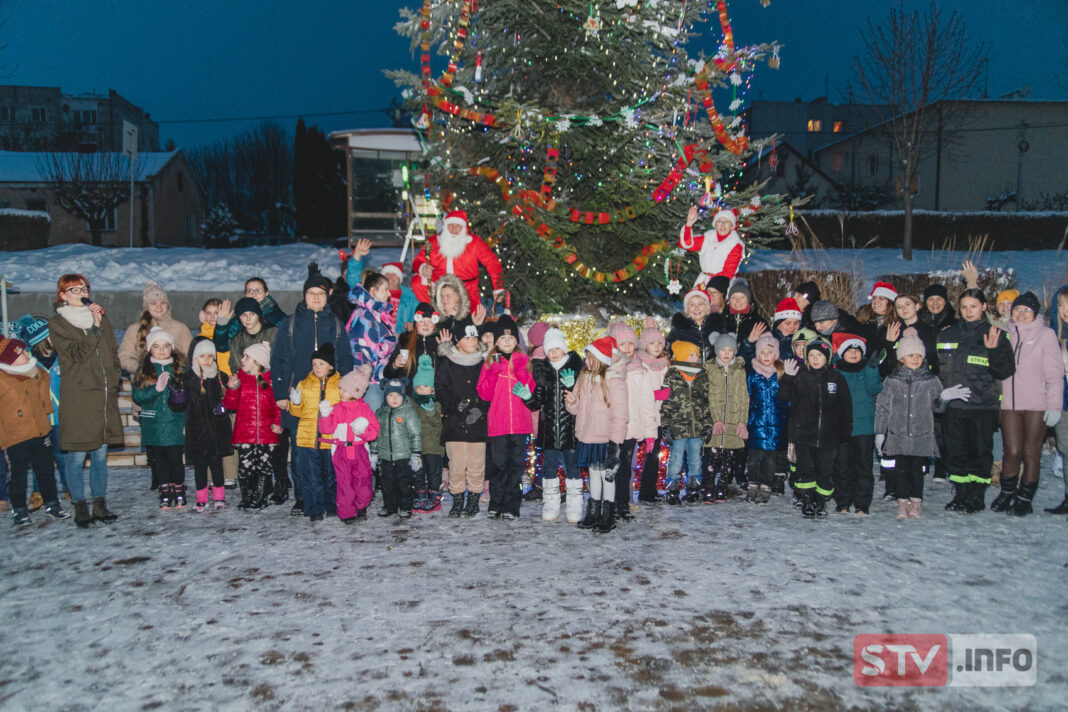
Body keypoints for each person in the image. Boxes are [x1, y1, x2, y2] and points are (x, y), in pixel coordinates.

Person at [272, 268, 354, 508]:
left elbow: (346, 359)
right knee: (301, 452)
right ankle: (303, 497)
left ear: (327, 295)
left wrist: (346, 390)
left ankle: (330, 496)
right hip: (300, 400)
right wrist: (281, 395)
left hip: (331, 398)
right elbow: (279, 360)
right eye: (311, 293)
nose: (316, 298)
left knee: (330, 450)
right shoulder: (291, 323)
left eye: (320, 293)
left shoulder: (336, 324)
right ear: (304, 295)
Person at [49, 273, 123, 528]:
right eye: (74, 289)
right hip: (79, 398)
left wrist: (113, 378)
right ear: (62, 294)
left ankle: (100, 504)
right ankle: (80, 506)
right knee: (77, 457)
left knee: (100, 455)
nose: (81, 292)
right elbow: (77, 355)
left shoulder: (102, 317)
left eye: (84, 287)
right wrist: (94, 327)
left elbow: (113, 351)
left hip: (102, 396)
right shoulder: (58, 324)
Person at [935, 288, 1015, 513]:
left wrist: (993, 352)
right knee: (955, 453)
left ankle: (975, 498)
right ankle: (960, 495)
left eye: (973, 306)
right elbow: (936, 368)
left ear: (984, 307)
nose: (968, 311)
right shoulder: (946, 333)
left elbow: (1005, 371)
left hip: (982, 407)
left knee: (979, 454)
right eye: (964, 307)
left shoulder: (996, 334)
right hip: (954, 407)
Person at [989, 292, 1065, 516]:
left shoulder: (1046, 335)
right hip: (1010, 404)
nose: (1021, 314)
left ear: (1035, 313)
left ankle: (1025, 497)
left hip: (1036, 404)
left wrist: (1054, 405)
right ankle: (1007, 491)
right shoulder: (1005, 334)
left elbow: (1054, 373)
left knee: (1031, 452)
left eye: (1026, 310)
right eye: (1017, 310)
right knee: (1011, 451)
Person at [875, 329, 947, 520]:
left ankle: (916, 501)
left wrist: (944, 399)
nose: (914, 359)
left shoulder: (930, 380)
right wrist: (880, 432)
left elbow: (938, 409)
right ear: (901, 358)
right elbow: (883, 407)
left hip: (920, 435)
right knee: (900, 469)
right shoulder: (891, 381)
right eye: (910, 355)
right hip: (897, 435)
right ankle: (901, 501)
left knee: (917, 470)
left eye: (918, 355)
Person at [778, 339, 852, 519]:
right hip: (804, 435)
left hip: (828, 436)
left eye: (819, 355)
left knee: (824, 471)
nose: (815, 359)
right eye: (811, 355)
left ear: (827, 357)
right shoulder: (801, 376)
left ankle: (820, 501)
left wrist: (844, 430)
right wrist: (787, 377)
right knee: (806, 471)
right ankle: (807, 501)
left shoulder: (836, 378)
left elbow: (846, 406)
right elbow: (784, 397)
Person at [0, 336, 68, 525]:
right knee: (18, 476)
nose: (24, 353)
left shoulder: (33, 370)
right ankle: (20, 511)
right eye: (19, 352)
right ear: (8, 358)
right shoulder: (2, 377)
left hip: (40, 430)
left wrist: (46, 407)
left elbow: (45, 380)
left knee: (45, 471)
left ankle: (52, 504)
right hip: (16, 436)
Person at [566, 336, 628, 533]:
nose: (587, 362)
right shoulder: (584, 377)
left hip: (605, 439)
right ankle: (593, 512)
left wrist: (615, 442)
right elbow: (576, 409)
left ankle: (608, 515)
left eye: (591, 358)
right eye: (587, 357)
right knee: (593, 474)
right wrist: (572, 401)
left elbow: (620, 416)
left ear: (602, 359)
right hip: (588, 436)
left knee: (606, 476)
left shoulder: (615, 383)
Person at [477, 315, 536, 520]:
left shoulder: (524, 360)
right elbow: (484, 394)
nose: (507, 341)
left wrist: (521, 373)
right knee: (499, 465)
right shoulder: (490, 362)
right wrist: (493, 373)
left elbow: (530, 389)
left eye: (511, 338)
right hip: (498, 424)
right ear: (496, 342)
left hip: (520, 424)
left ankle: (512, 505)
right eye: (502, 338)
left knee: (516, 465)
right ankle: (496, 503)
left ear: (517, 340)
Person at [435, 317, 490, 518]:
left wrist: (479, 409)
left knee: (476, 464)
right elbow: (441, 388)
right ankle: (457, 499)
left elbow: (489, 389)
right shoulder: (447, 364)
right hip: (455, 424)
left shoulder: (484, 364)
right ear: (457, 341)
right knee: (456, 465)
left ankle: (473, 500)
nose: (473, 342)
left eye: (475, 338)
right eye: (467, 338)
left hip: (477, 425)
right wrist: (457, 404)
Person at [170, 337, 232, 512]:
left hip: (217, 430)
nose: (206, 360)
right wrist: (178, 395)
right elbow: (179, 405)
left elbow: (231, 399)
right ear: (195, 357)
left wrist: (225, 406)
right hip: (197, 430)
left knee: (216, 464)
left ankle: (220, 496)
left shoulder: (220, 376)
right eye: (202, 356)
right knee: (200, 466)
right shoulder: (188, 378)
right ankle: (201, 498)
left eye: (210, 356)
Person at [531, 328, 585, 523]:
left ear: (564, 348)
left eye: (557, 348)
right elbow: (537, 403)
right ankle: (551, 505)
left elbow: (582, 400)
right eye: (549, 350)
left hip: (571, 431)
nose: (553, 353)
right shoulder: (542, 373)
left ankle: (575, 506)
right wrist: (527, 398)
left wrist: (572, 387)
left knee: (573, 468)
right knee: (549, 469)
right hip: (550, 433)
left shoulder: (576, 369)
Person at [131, 327, 188, 509]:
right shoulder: (144, 371)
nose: (162, 350)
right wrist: (155, 390)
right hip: (153, 423)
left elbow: (190, 398)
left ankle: (179, 489)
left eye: (166, 345)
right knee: (160, 461)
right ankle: (164, 491)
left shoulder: (180, 369)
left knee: (176, 460)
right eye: (156, 346)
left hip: (174, 422)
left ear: (172, 347)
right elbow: (138, 396)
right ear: (149, 349)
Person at [223, 342, 282, 510]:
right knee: (245, 465)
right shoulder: (240, 379)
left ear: (258, 362)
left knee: (263, 466)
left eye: (247, 357)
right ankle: (247, 496)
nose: (242, 359)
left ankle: (260, 495)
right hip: (244, 433)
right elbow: (230, 405)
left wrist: (278, 423)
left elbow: (277, 405)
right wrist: (232, 389)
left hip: (266, 434)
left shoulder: (268, 381)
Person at [287, 343, 340, 523]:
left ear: (331, 366)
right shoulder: (304, 383)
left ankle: (332, 505)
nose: (317, 368)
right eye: (315, 364)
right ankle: (314, 508)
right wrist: (295, 402)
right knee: (310, 474)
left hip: (330, 438)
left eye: (321, 364)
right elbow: (297, 412)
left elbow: (345, 410)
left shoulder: (339, 385)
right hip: (307, 438)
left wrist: (332, 413)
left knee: (331, 474)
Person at [318, 365, 379, 523]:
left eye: (344, 390)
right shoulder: (336, 409)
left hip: (359, 450)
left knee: (363, 481)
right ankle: (347, 513)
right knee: (344, 483)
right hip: (341, 451)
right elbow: (327, 429)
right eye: (341, 389)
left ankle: (361, 506)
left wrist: (362, 432)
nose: (340, 392)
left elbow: (374, 431)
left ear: (355, 393)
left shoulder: (364, 409)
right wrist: (325, 415)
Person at [830, 333, 882, 515]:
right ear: (841, 353)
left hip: (864, 428)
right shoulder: (836, 372)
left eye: (857, 351)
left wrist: (872, 370)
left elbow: (875, 388)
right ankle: (843, 501)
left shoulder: (867, 370)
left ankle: (862, 503)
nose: (853, 354)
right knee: (842, 467)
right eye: (849, 350)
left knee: (864, 467)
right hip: (842, 429)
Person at [411, 209, 505, 309]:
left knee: (471, 321)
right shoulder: (434, 242)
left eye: (458, 226)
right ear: (445, 226)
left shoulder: (474, 243)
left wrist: (498, 287)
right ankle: (435, 313)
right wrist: (423, 268)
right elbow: (418, 261)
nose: (454, 230)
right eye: (451, 225)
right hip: (439, 287)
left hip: (466, 291)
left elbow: (492, 262)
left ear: (463, 228)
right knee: (417, 282)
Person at [658, 340, 710, 505]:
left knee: (695, 459)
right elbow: (664, 402)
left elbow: (705, 402)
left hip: (697, 428)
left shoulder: (702, 375)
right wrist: (665, 425)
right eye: (692, 354)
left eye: (697, 354)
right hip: (678, 427)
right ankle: (672, 489)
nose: (696, 357)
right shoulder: (671, 375)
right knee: (676, 458)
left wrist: (708, 424)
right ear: (681, 356)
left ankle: (693, 487)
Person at [704, 333, 750, 503]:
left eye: (730, 350)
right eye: (723, 349)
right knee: (712, 458)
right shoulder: (709, 369)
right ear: (717, 351)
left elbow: (743, 397)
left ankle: (722, 487)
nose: (726, 353)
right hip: (715, 422)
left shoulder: (739, 370)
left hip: (732, 422)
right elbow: (708, 396)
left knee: (728, 460)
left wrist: (742, 423)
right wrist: (713, 419)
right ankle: (708, 487)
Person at [346, 270, 398, 412]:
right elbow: (372, 352)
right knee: (372, 423)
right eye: (385, 290)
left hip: (377, 378)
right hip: (369, 380)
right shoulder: (365, 315)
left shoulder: (377, 313)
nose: (389, 294)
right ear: (374, 292)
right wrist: (392, 340)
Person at [746, 332, 789, 501]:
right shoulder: (752, 374)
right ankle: (753, 484)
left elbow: (787, 399)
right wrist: (747, 420)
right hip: (756, 423)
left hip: (776, 423)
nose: (766, 356)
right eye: (762, 353)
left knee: (771, 459)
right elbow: (747, 396)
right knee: (754, 458)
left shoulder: (780, 373)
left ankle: (766, 485)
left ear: (776, 354)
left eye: (769, 353)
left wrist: (786, 418)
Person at [632, 319, 671, 504]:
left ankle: (648, 490)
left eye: (659, 343)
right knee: (633, 456)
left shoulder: (664, 363)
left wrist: (666, 394)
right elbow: (639, 390)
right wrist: (656, 394)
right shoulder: (640, 363)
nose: (656, 347)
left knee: (653, 456)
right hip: (641, 415)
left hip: (658, 417)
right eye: (652, 343)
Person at [118, 281, 193, 375]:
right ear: (146, 307)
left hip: (174, 381)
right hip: (143, 383)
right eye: (153, 303)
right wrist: (142, 369)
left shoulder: (180, 328)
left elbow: (191, 358)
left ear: (168, 305)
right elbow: (123, 357)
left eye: (163, 303)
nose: (159, 307)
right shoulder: (135, 329)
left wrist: (176, 369)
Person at [374, 378, 422, 519]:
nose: (394, 399)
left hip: (403, 456)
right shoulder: (380, 413)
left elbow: (416, 434)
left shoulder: (409, 412)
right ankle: (390, 507)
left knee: (404, 484)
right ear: (385, 397)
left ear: (403, 396)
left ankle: (406, 506)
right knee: (387, 484)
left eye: (397, 396)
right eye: (390, 396)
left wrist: (416, 453)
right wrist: (374, 452)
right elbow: (376, 434)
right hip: (385, 456)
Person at [410, 354, 445, 513]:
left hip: (433, 446)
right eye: (418, 387)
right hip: (416, 447)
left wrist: (431, 411)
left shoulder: (437, 404)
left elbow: (438, 424)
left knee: (434, 474)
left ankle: (435, 498)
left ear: (432, 388)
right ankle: (420, 497)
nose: (422, 390)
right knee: (418, 473)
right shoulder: (412, 404)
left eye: (425, 387)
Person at [679, 206, 745, 288]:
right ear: (715, 225)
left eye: (727, 222)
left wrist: (704, 286)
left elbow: (727, 273)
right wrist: (689, 224)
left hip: (721, 285)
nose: (723, 225)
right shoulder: (708, 237)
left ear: (732, 226)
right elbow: (687, 244)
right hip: (702, 281)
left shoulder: (736, 244)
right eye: (719, 222)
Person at [1045, 286, 1068, 514]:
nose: (1065, 310)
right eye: (1061, 305)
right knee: (1066, 449)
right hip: (1063, 403)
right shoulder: (1054, 336)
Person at [666, 288, 722, 364]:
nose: (696, 308)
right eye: (692, 305)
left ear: (706, 307)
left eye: (700, 304)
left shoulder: (716, 327)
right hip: (688, 372)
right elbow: (666, 352)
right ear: (687, 309)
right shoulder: (679, 328)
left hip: (712, 373)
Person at [722, 278, 766, 365]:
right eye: (734, 297)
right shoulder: (720, 321)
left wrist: (750, 343)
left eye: (742, 297)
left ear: (748, 299)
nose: (737, 301)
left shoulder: (758, 323)